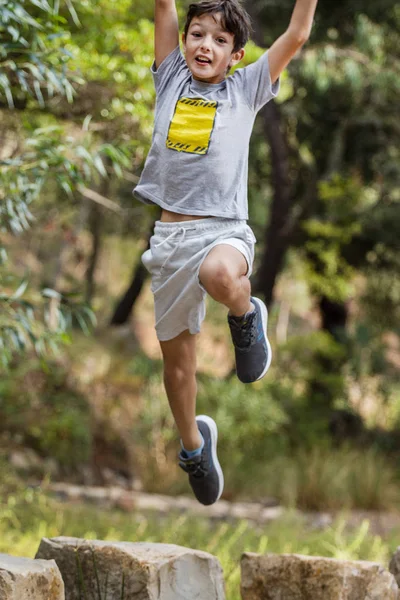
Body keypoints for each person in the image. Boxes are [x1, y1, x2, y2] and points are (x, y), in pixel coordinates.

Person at [134, 0, 318, 506]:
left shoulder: (247, 89)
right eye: (197, 35)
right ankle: (194, 445)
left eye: (219, 41)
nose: (204, 46)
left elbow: (297, 34)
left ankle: (244, 314)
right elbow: (163, 5)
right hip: (170, 242)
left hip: (223, 231)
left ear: (236, 56)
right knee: (177, 365)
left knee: (220, 274)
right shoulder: (170, 76)